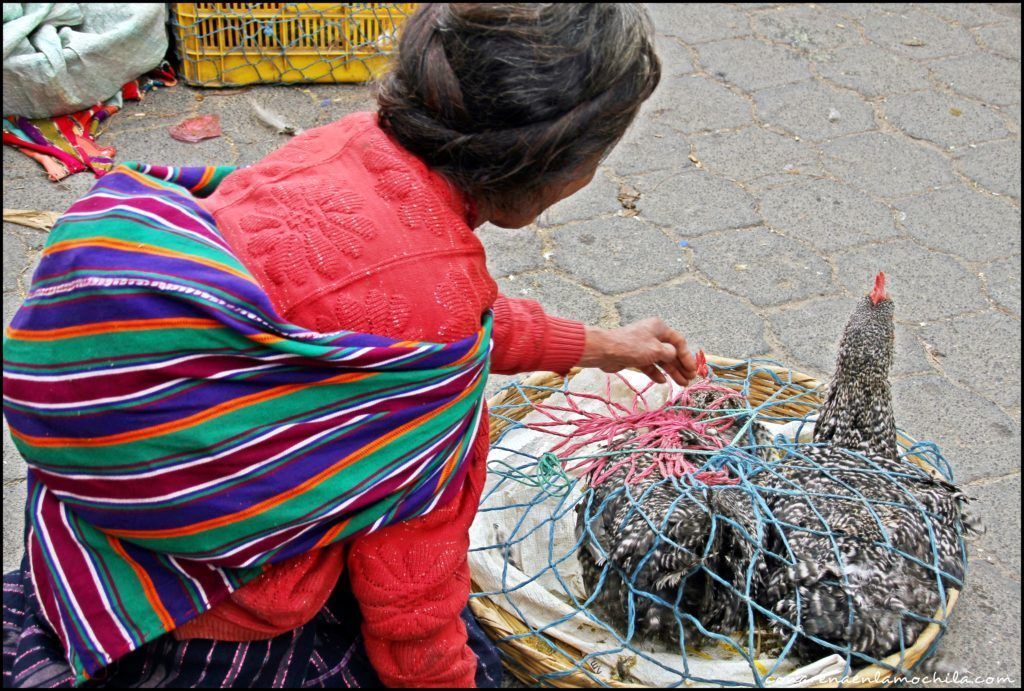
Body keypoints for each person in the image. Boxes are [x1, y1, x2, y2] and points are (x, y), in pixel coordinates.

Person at [2, 4, 696, 688]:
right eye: (600, 158)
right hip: (219, 615)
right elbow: (410, 604)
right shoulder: (429, 364)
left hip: (99, 526)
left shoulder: (348, 145)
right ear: (551, 165)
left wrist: (603, 346)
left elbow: (439, 316)